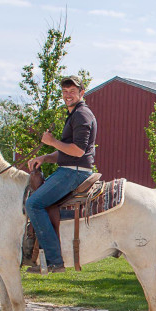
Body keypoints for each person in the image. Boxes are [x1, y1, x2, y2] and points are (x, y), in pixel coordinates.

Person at [25, 75, 98, 273]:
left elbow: (78, 151)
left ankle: (53, 260)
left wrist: (52, 141)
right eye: (65, 91)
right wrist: (45, 157)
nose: (68, 95)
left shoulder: (82, 115)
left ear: (82, 93)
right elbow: (66, 151)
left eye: (72, 91)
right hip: (69, 168)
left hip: (74, 172)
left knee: (33, 204)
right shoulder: (75, 115)